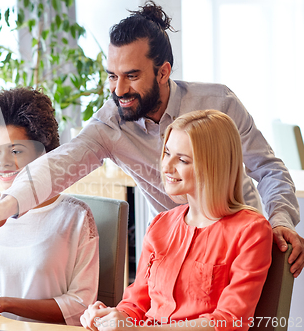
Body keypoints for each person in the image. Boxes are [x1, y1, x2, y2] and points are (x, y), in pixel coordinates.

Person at [0, 0, 304, 277]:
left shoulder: (218, 103)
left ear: (164, 72)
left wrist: (281, 221)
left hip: (244, 246)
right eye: (112, 76)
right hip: (176, 254)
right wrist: (5, 204)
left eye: (132, 76)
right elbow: (59, 164)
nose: (118, 90)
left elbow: (268, 169)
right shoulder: (110, 126)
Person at [80, 110, 273, 331]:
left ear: (213, 165)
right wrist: (111, 318)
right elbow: (135, 304)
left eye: (182, 160)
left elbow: (229, 321)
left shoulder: (252, 231)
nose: (167, 166)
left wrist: (138, 330)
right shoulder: (160, 224)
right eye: (167, 153)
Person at [0, 87, 99, 326]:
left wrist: (4, 304)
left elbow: (81, 305)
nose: (2, 162)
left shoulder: (75, 216)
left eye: (15, 150)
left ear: (44, 154)